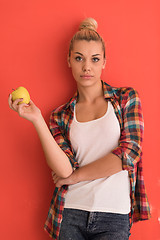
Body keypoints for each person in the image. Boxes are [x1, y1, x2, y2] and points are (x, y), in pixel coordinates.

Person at [8, 18, 151, 240]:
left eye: (95, 59)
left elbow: (130, 154)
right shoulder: (60, 116)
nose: (87, 67)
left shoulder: (126, 99)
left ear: (104, 61)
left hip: (114, 215)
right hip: (71, 212)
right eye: (79, 58)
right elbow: (64, 171)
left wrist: (77, 177)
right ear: (69, 60)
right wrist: (36, 119)